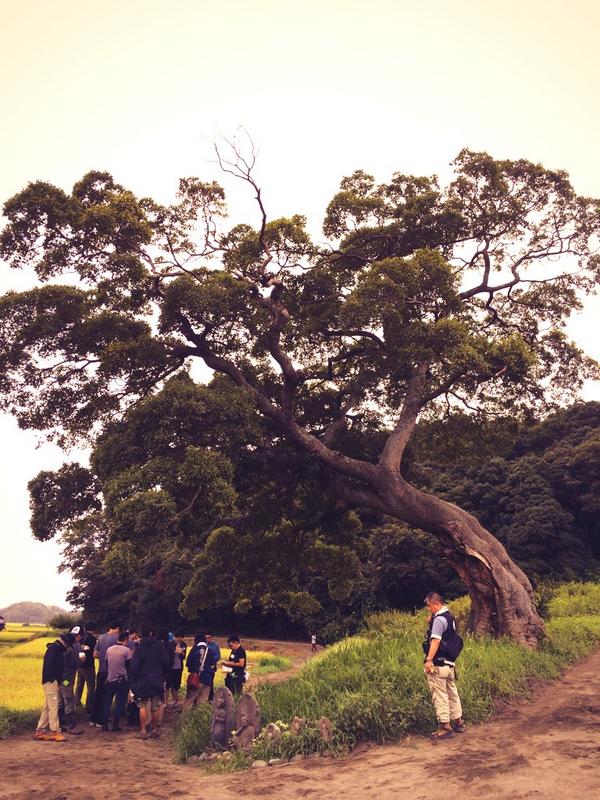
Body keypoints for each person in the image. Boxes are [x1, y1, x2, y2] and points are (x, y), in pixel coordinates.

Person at [422, 592, 465, 740]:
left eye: (429, 606)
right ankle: (459, 722)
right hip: (450, 665)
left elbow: (436, 641)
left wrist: (429, 660)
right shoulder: (449, 618)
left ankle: (445, 727)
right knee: (452, 693)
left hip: (438, 665)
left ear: (436, 604)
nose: (429, 609)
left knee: (439, 694)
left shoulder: (439, 620)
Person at [129, 624, 170, 739]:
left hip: (142, 681)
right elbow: (166, 661)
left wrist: (134, 679)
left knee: (142, 706)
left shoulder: (139, 647)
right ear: (152, 633)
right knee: (155, 707)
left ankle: (142, 731)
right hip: (156, 679)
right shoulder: (159, 646)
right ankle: (155, 730)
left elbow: (134, 666)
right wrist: (163, 674)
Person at [34, 636, 68, 742]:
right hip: (51, 682)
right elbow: (51, 667)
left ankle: (40, 731)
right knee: (54, 707)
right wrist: (54, 680)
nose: (67, 648)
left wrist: (61, 682)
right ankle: (55, 732)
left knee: (48, 707)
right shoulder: (54, 649)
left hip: (52, 682)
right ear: (65, 642)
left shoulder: (55, 648)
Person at [90, 622, 120, 726]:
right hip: (110, 672)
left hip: (100, 670)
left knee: (97, 694)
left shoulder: (101, 638)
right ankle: (101, 720)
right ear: (117, 628)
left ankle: (92, 719)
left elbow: (94, 655)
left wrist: (102, 657)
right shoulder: (116, 639)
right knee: (106, 696)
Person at [102, 631, 131, 731]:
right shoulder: (126, 651)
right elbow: (128, 665)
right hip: (121, 680)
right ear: (126, 639)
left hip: (110, 679)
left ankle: (104, 724)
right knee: (120, 702)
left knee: (107, 702)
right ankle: (115, 724)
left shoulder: (109, 649)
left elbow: (106, 663)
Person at [59, 629, 84, 735]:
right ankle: (71, 726)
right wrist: (82, 659)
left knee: (60, 700)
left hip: (60, 678)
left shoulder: (60, 648)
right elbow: (76, 663)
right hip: (66, 679)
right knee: (69, 699)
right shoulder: (71, 649)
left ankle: (59, 724)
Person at [183, 633, 216, 708]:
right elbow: (214, 667)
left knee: (189, 701)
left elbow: (188, 664)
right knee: (202, 703)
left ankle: (185, 719)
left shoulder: (194, 649)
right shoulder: (210, 651)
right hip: (208, 680)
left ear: (195, 641)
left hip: (196, 680)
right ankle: (198, 719)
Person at [75, 621, 97, 714]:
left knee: (79, 684)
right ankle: (89, 706)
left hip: (80, 665)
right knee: (91, 686)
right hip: (88, 665)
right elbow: (94, 653)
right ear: (94, 629)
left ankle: (76, 703)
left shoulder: (81, 637)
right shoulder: (92, 639)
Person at [166, 630, 187, 709]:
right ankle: (166, 701)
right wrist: (174, 651)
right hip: (170, 667)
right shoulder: (170, 644)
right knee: (167, 685)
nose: (179, 639)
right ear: (175, 637)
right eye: (178, 637)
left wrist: (182, 653)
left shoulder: (184, 644)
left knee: (176, 685)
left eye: (181, 637)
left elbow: (184, 657)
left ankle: (175, 701)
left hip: (178, 667)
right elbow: (167, 655)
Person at [205, 632, 220, 702]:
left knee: (210, 682)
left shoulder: (215, 646)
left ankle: (211, 698)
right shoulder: (204, 645)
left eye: (209, 638)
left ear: (212, 638)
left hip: (211, 666)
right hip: (204, 667)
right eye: (206, 638)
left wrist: (211, 661)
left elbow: (218, 656)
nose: (207, 639)